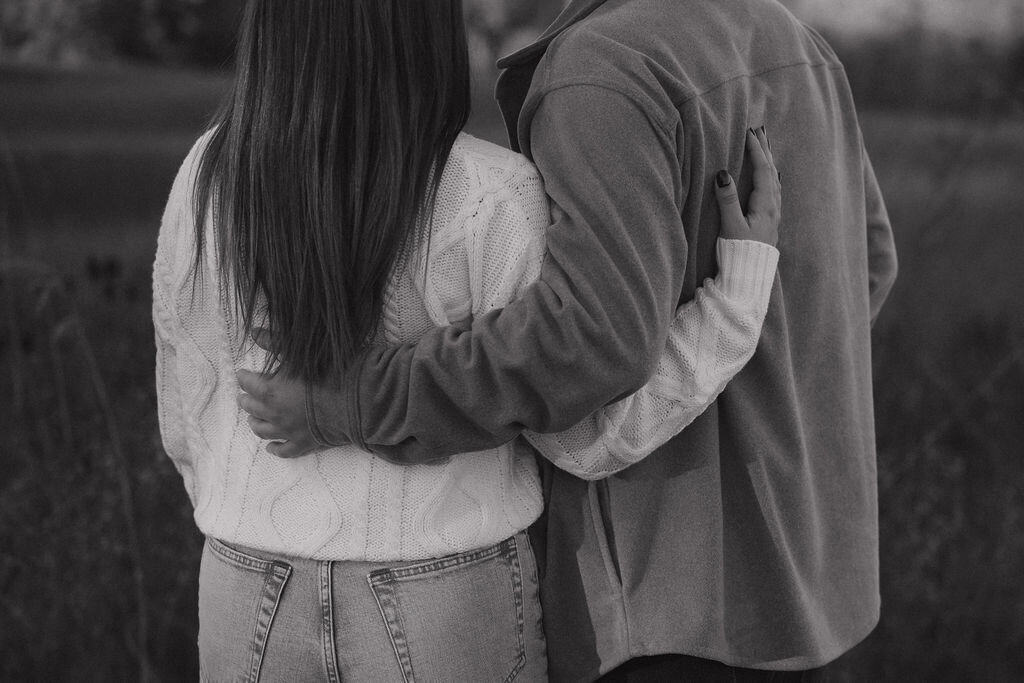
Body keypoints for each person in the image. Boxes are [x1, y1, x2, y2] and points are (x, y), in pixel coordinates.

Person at [238, 0, 899, 681]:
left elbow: (586, 341)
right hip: (816, 587)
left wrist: (352, 399)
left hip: (671, 608)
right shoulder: (800, 42)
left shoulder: (606, 66)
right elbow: (870, 265)